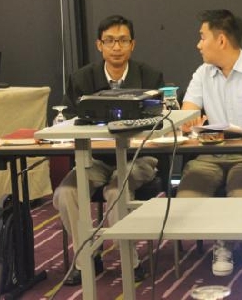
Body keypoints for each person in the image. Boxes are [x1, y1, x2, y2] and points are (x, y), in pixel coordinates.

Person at [53, 14, 165, 285]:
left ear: (132, 45)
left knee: (117, 191)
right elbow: (67, 120)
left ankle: (130, 261)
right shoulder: (81, 79)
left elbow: (160, 121)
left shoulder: (150, 77)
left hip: (137, 157)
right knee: (66, 193)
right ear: (99, 45)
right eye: (110, 41)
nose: (116, 47)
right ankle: (87, 258)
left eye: (123, 41)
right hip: (95, 159)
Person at [178, 9, 242, 276]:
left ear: (221, 40)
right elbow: (187, 113)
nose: (198, 44)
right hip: (211, 156)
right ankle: (223, 237)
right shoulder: (202, 73)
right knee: (187, 197)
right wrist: (188, 121)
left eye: (202, 37)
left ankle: (241, 238)